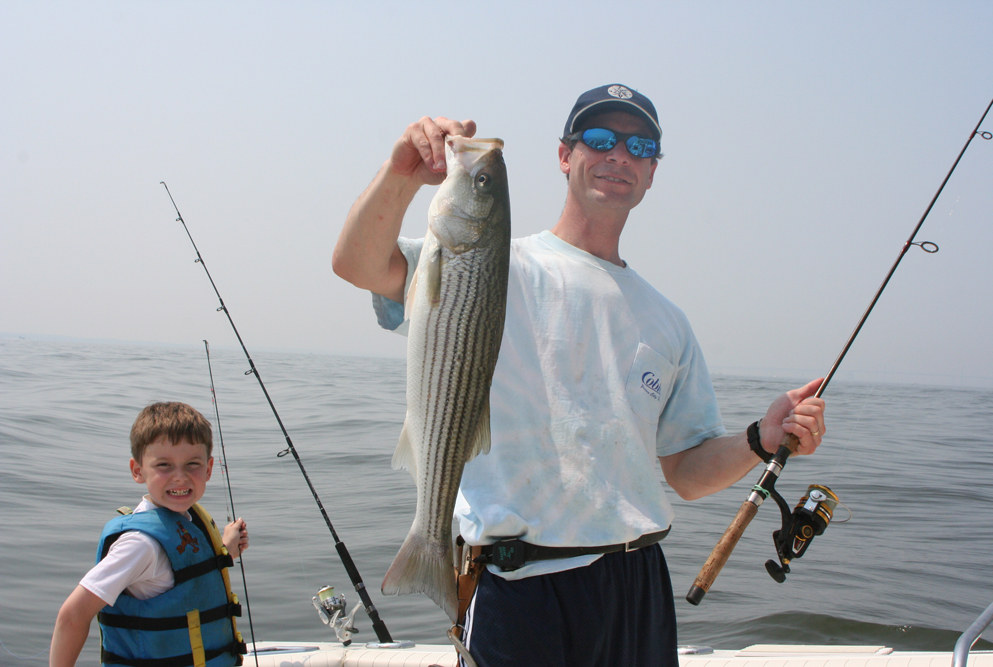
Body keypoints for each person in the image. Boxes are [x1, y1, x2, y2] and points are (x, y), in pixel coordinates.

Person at [332, 84, 826, 666]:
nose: (619, 154)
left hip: (637, 583)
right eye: (599, 139)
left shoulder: (668, 321)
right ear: (565, 156)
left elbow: (687, 474)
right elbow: (357, 263)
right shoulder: (488, 260)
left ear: (652, 172)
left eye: (639, 145)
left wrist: (758, 441)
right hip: (521, 588)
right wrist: (402, 173)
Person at [49, 402, 249, 667]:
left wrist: (225, 549)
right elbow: (72, 616)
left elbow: (185, 572)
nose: (180, 477)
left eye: (192, 464)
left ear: (209, 468)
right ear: (137, 470)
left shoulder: (190, 518)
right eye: (164, 465)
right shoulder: (140, 545)